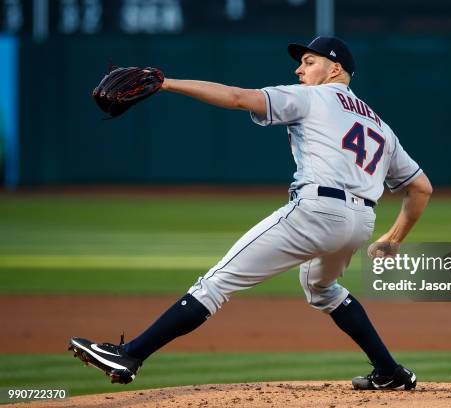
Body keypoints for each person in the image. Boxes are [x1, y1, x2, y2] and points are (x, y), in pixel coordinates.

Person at [69, 36, 432, 391]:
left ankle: (129, 355)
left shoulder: (312, 97)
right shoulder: (380, 125)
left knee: (216, 283)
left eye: (309, 62)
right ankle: (388, 370)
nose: (299, 68)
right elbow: (421, 188)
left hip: (318, 211)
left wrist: (166, 84)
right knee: (322, 289)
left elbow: (238, 97)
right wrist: (392, 239)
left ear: (334, 68)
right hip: (360, 223)